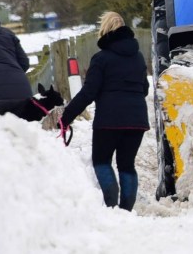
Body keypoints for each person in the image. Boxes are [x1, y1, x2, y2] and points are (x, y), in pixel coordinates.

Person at [59, 11, 149, 211]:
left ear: (104, 30)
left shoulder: (101, 59)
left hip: (109, 120)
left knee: (101, 161)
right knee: (127, 165)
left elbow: (89, 92)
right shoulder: (139, 57)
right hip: (137, 120)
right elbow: (144, 89)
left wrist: (67, 116)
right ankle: (126, 210)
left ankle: (111, 203)